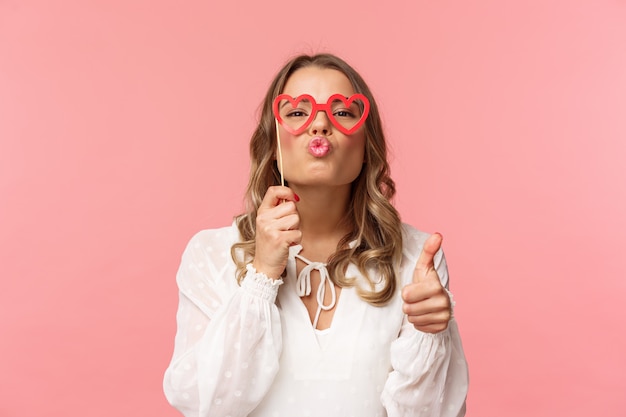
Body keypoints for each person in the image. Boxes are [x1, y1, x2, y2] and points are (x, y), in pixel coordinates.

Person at [163, 53, 469, 417]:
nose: (320, 124)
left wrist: (430, 333)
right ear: (273, 146)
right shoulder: (211, 254)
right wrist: (260, 275)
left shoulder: (417, 258)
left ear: (366, 147)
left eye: (342, 112)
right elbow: (206, 406)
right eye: (296, 112)